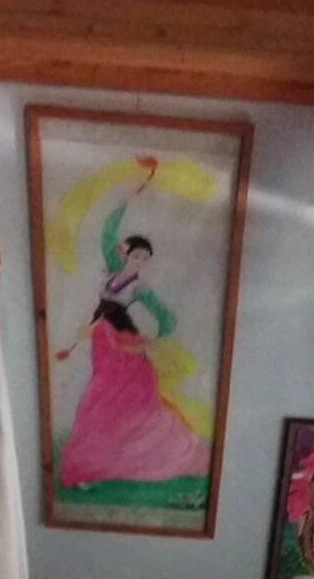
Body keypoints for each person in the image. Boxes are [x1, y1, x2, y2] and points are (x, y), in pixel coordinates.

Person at [57, 200, 210, 489]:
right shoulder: (111, 270)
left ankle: (112, 461)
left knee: (121, 402)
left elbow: (167, 318)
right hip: (103, 344)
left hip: (124, 345)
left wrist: (152, 341)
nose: (139, 261)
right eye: (136, 255)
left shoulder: (140, 287)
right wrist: (125, 200)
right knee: (99, 399)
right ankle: (90, 463)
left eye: (144, 258)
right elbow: (107, 234)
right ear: (124, 253)